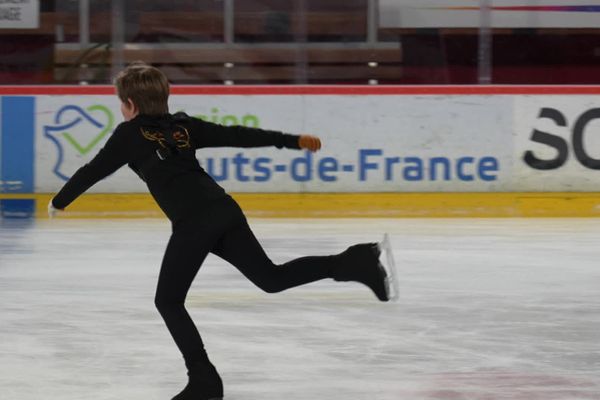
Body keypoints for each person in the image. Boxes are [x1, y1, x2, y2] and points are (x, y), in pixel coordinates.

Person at [49, 63, 394, 400]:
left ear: (130, 105)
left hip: (195, 222)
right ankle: (356, 260)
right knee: (270, 279)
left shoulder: (128, 134)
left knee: (168, 301)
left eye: (120, 103)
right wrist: (293, 141)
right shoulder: (184, 126)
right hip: (223, 210)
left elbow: (93, 170)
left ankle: (204, 381)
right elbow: (239, 135)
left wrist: (60, 202)